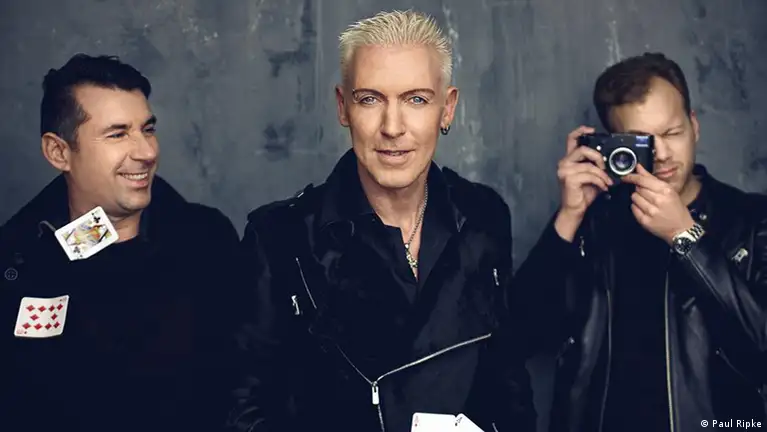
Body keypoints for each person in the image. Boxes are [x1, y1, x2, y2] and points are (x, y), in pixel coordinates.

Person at [227, 10, 536, 432]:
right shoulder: (280, 238)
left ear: (447, 109)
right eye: (370, 99)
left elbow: (508, 385)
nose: (392, 127)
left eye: (416, 99)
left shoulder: (483, 215)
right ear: (343, 107)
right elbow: (244, 412)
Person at [510, 52, 767, 432]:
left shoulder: (751, 219)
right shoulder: (596, 222)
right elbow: (519, 337)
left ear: (694, 126)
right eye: (643, 142)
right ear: (614, 145)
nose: (662, 155)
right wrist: (568, 217)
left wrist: (685, 236)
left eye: (672, 133)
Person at [0, 54, 242, 432]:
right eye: (117, 134)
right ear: (59, 152)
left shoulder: (207, 240)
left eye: (148, 129)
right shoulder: (18, 263)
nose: (146, 152)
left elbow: (248, 386)